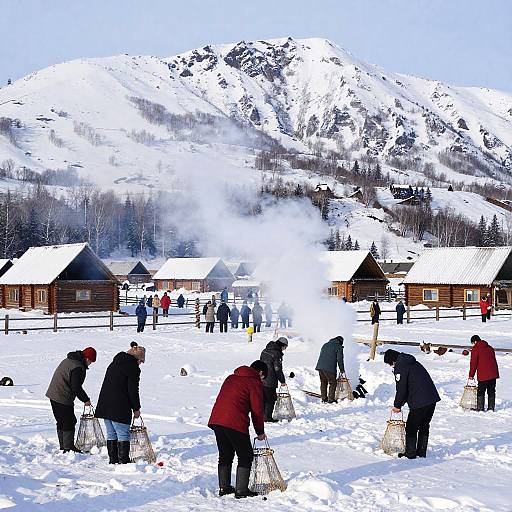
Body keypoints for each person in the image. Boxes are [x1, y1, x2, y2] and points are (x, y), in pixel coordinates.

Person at [208, 360, 267, 499]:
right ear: (260, 373)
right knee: (246, 455)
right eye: (263, 377)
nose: (262, 380)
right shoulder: (254, 382)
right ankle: (241, 490)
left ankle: (224, 487)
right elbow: (257, 410)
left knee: (225, 454)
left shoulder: (231, 377)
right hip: (234, 421)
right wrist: (260, 432)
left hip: (217, 419)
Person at [383, 349, 440, 459]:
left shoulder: (400, 367)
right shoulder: (412, 362)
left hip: (420, 401)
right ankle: (421, 452)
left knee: (411, 427)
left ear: (393, 361)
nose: (391, 366)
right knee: (424, 425)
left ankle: (410, 453)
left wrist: (397, 405)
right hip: (432, 399)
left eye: (390, 363)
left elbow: (402, 389)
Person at [96, 342, 145, 464]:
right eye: (141, 361)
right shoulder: (132, 368)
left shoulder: (114, 363)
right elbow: (133, 390)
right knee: (123, 434)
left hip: (105, 404)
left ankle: (113, 460)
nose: (141, 364)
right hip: (119, 406)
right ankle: (124, 461)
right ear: (137, 358)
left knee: (111, 433)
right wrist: (136, 408)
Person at [46, 347, 97, 453]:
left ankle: (64, 446)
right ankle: (68, 448)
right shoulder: (77, 367)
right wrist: (86, 400)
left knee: (61, 421)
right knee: (69, 421)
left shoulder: (69, 360)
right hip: (62, 396)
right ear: (87, 359)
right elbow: (76, 387)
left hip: (53, 394)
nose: (90, 363)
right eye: (91, 361)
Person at [260, 337, 288, 421]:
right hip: (270, 379)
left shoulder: (265, 350)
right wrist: (282, 381)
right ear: (282, 345)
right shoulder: (276, 354)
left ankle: (261, 415)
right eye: (285, 347)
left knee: (263, 398)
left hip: (261, 378)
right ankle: (267, 417)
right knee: (270, 399)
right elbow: (277, 369)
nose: (284, 349)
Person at [469, 335, 499, 411]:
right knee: (491, 391)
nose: (473, 345)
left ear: (475, 341)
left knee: (481, 391)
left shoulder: (475, 349)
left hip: (483, 374)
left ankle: (480, 408)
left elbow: (473, 363)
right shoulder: (490, 348)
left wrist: (471, 375)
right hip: (493, 373)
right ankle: (491, 408)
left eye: (473, 343)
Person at [315, 336, 344, 403]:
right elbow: (340, 359)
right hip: (329, 368)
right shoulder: (338, 347)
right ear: (340, 342)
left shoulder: (325, 344)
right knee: (333, 383)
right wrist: (342, 369)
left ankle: (324, 398)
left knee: (323, 382)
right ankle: (331, 399)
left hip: (320, 367)